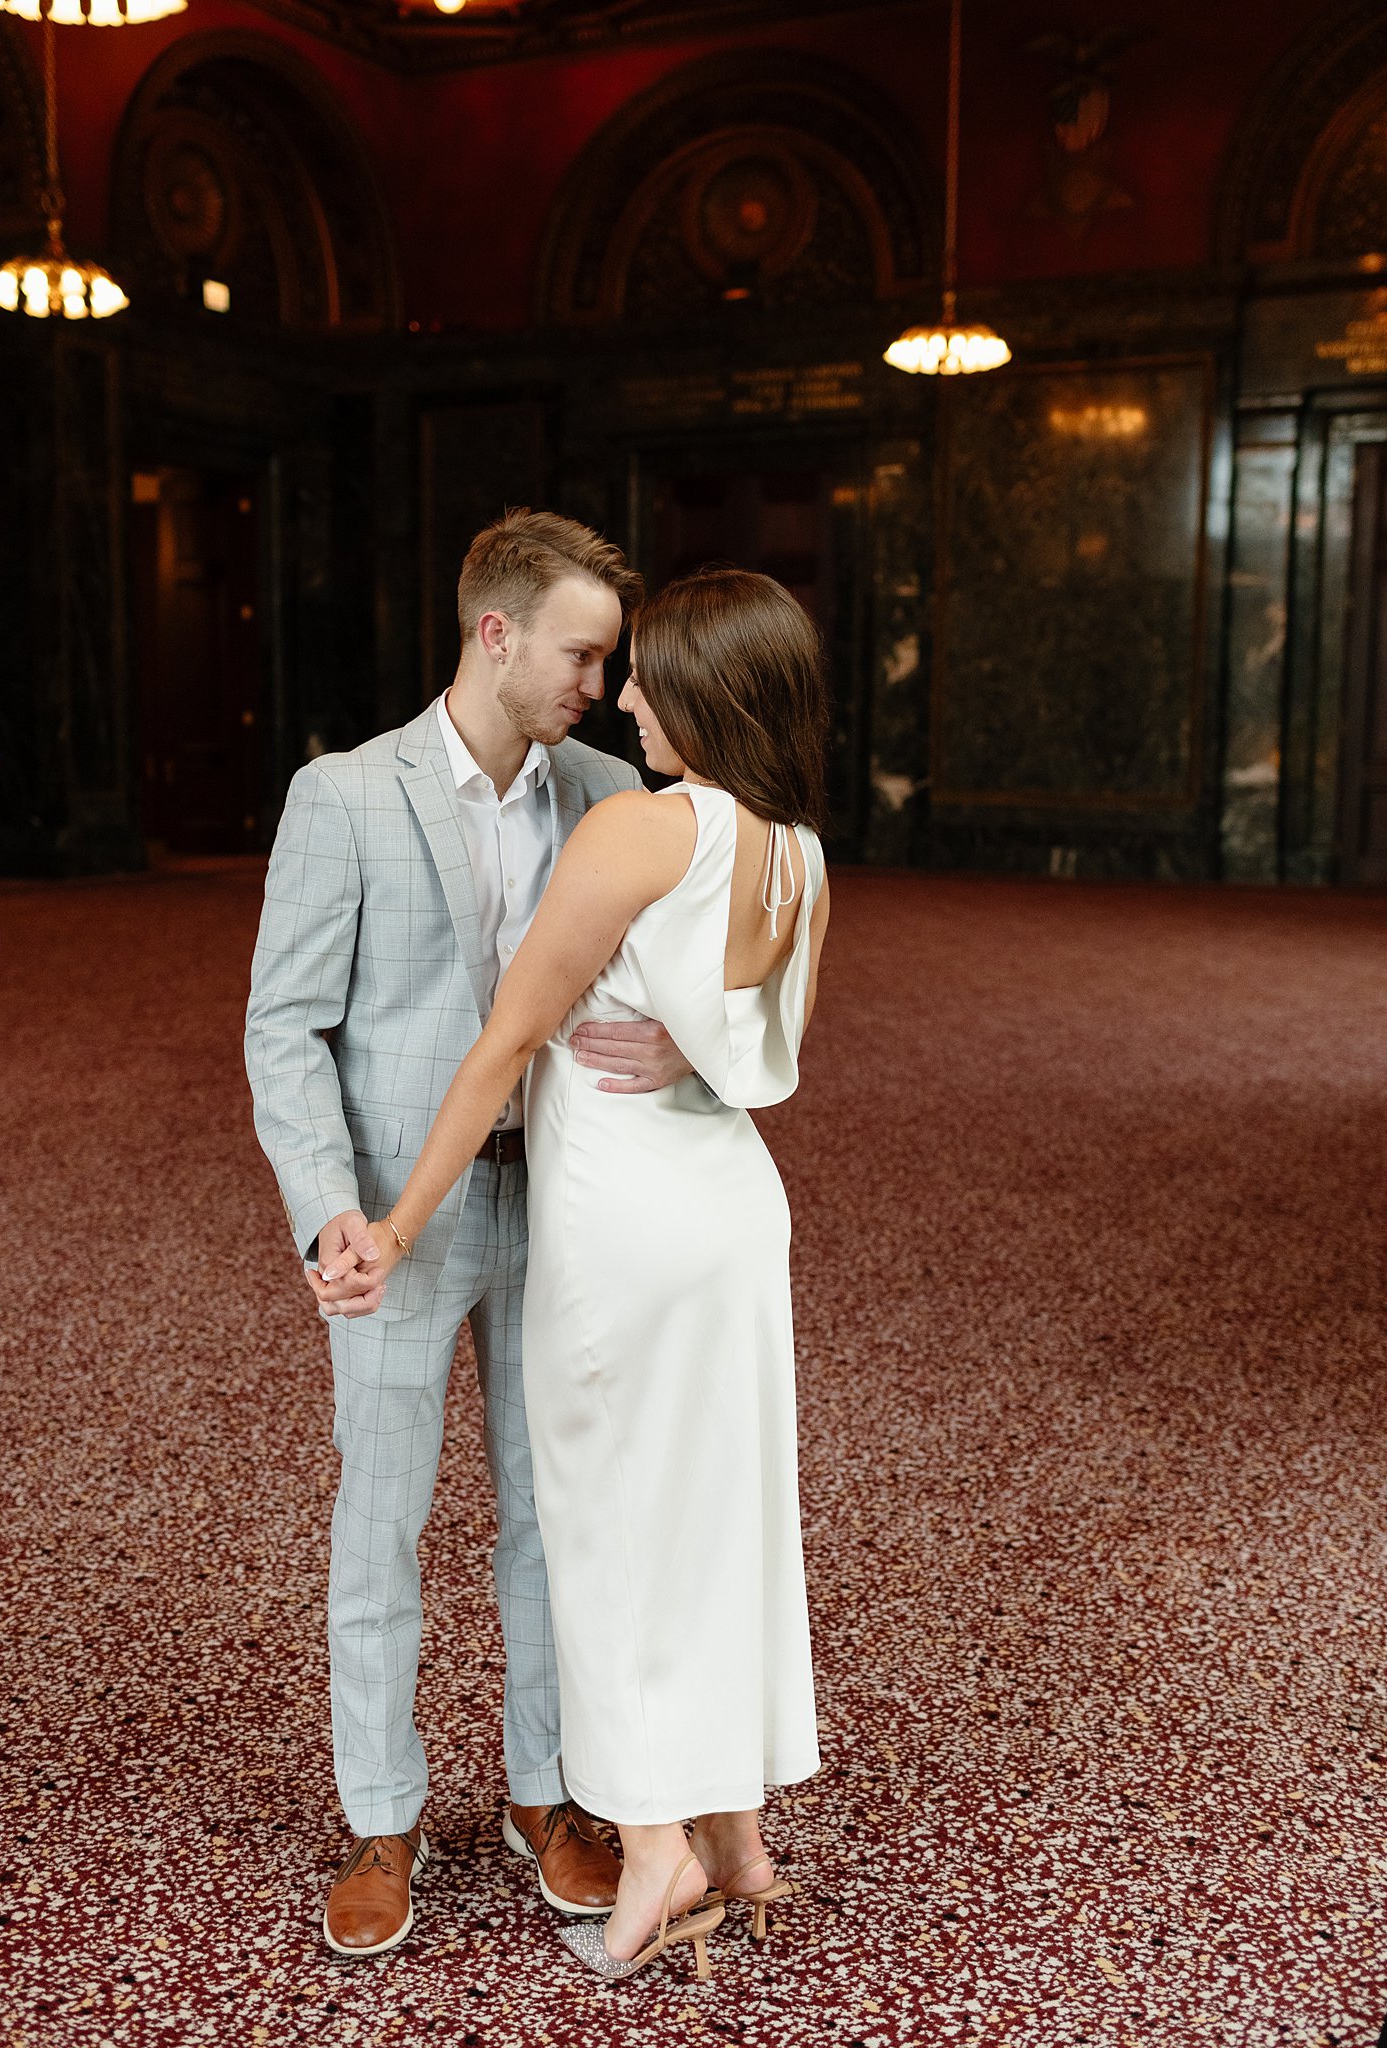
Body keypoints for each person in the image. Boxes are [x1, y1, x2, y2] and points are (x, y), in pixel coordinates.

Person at [321, 567, 832, 1982]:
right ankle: (736, 1829)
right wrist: (679, 1035)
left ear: (709, 692)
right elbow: (763, 1056)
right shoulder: (794, 847)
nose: (625, 698)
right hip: (730, 1209)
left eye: (650, 673)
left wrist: (399, 1225)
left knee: (604, 1529)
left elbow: (502, 1042)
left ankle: (656, 1833)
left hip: (620, 1228)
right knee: (720, 1513)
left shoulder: (631, 829)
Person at [245, 509, 697, 1957]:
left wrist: (691, 1051)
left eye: (606, 660)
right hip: (397, 1211)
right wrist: (332, 1212)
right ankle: (381, 1817)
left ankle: (545, 1794)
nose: (597, 682)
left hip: (566, 1197)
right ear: (494, 634)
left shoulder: (604, 787)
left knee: (550, 1517)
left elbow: (676, 964)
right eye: (578, 653)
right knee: (381, 1520)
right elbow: (284, 1030)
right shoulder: (344, 794)